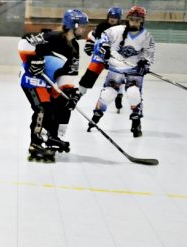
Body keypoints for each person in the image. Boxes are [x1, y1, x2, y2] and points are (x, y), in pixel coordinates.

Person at [17, 9, 89, 162]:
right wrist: (32, 60)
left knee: (63, 104)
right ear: (73, 25)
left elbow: (68, 74)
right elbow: (25, 41)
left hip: (47, 82)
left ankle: (52, 137)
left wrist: (70, 92)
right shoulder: (53, 37)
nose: (84, 29)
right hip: (32, 78)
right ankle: (35, 144)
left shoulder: (75, 47)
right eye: (82, 26)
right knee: (43, 108)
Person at [79, 5, 155, 137]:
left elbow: (149, 51)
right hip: (115, 68)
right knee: (108, 93)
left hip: (134, 71)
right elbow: (103, 38)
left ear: (142, 21)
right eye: (132, 19)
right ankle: (96, 117)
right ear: (127, 19)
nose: (134, 22)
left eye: (137, 20)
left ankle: (136, 123)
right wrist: (105, 47)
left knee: (133, 93)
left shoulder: (146, 36)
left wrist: (145, 62)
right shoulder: (116, 30)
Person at [84, 7, 125, 112]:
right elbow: (94, 36)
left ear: (119, 19)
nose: (112, 19)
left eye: (115, 17)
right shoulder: (102, 26)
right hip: (101, 57)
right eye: (111, 17)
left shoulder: (123, 29)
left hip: (115, 57)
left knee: (119, 76)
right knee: (89, 77)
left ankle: (119, 95)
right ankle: (80, 91)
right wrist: (89, 44)